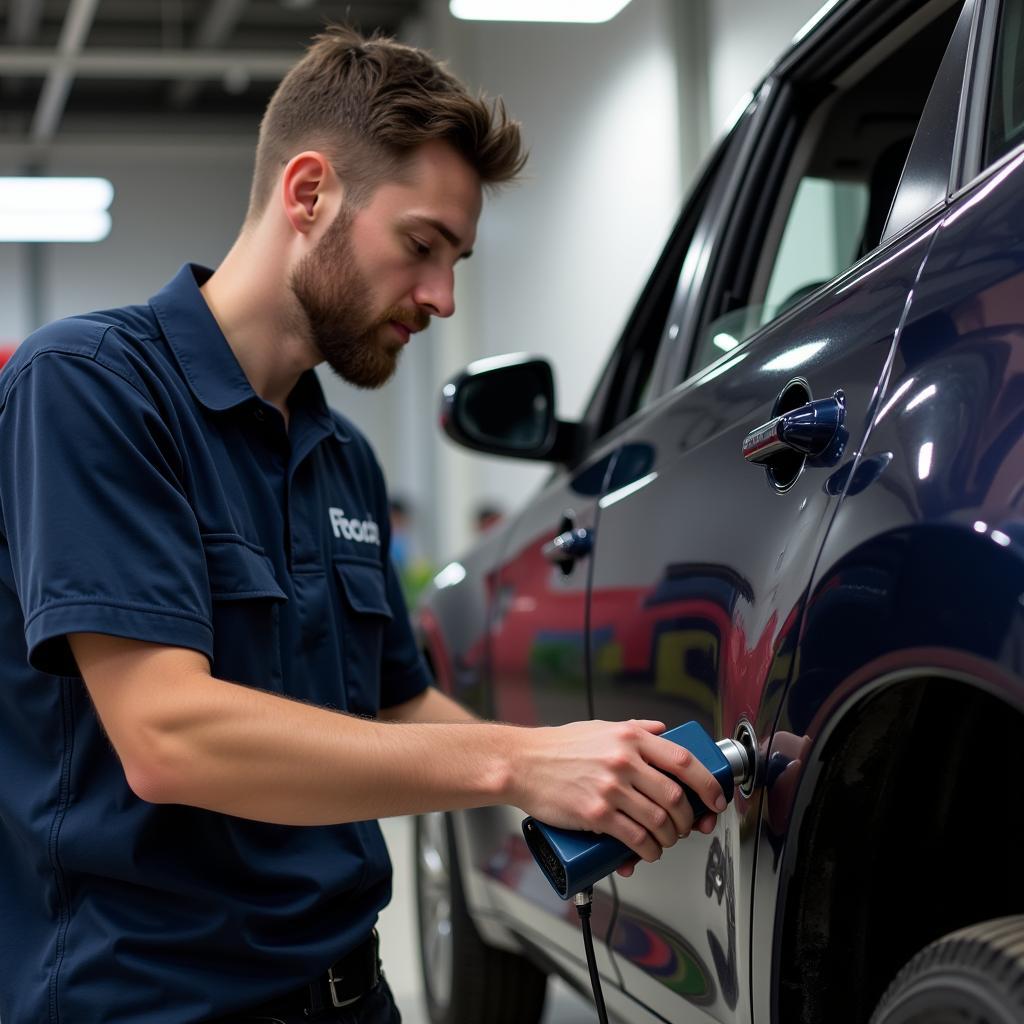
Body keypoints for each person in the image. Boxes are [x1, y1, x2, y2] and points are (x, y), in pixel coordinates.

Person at [0, 26, 727, 1024]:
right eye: (421, 246)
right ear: (308, 194)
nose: (441, 296)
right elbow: (166, 734)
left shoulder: (341, 456)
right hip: (150, 1001)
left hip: (348, 992)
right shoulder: (90, 388)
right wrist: (515, 764)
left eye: (456, 259)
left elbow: (395, 703)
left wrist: (569, 765)